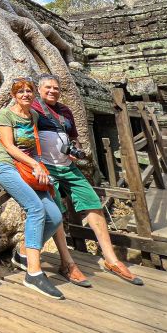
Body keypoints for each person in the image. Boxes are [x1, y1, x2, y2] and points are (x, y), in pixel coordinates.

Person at [19, 74, 143, 285]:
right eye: (47, 87)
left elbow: (73, 136)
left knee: (93, 203)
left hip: (68, 167)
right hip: (45, 168)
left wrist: (76, 150)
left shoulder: (65, 112)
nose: (52, 91)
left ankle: (111, 259)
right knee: (57, 212)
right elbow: (13, 126)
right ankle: (67, 263)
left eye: (56, 88)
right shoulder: (33, 109)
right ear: (38, 90)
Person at [0, 78, 65, 299]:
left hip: (29, 169)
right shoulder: (5, 114)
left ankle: (22, 254)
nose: (26, 94)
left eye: (29, 91)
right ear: (13, 95)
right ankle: (34, 273)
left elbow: (33, 146)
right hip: (6, 166)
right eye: (21, 92)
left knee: (55, 217)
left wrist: (40, 169)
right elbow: (8, 146)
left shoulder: (34, 116)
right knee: (36, 209)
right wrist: (35, 164)